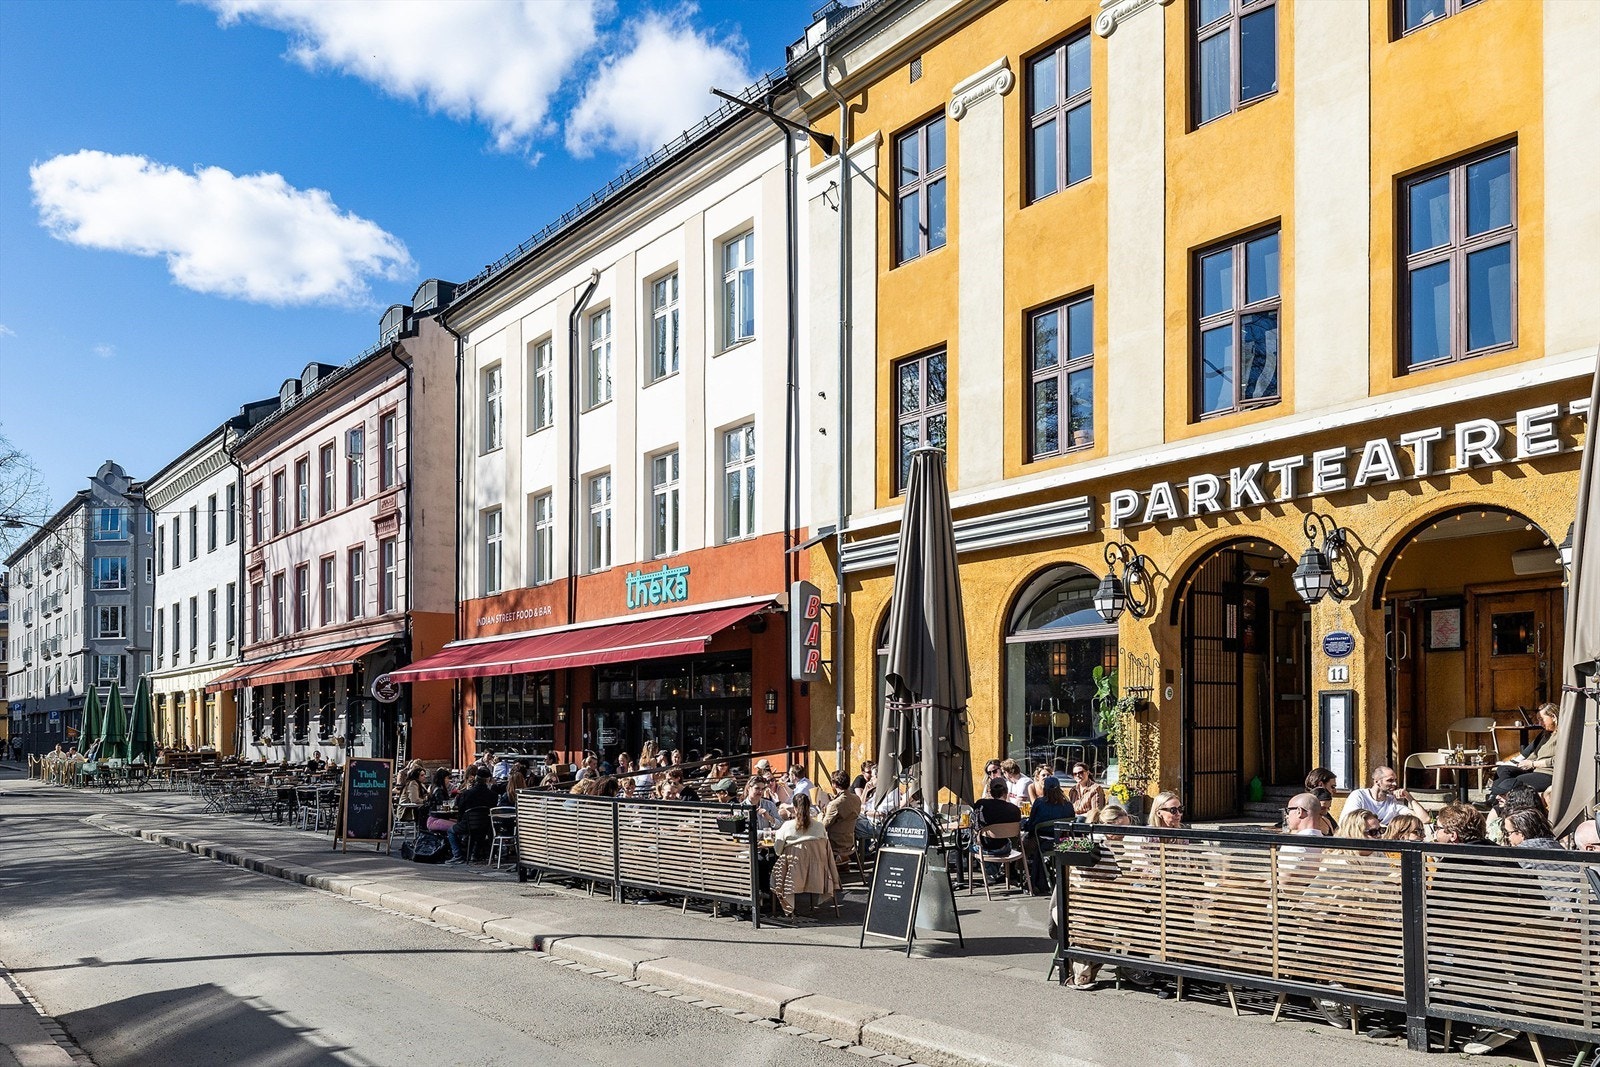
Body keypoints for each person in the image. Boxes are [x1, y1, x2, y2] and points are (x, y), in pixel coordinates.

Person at [1489, 702, 1559, 798]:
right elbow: (1533, 753)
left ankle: (1495, 801)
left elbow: (1558, 761)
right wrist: (1519, 764)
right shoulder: (1545, 734)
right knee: (1503, 770)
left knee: (1515, 781)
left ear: (1553, 717)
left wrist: (1533, 764)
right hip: (1534, 770)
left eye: (1541, 719)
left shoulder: (1563, 735)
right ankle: (1493, 797)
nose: (1539, 723)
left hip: (1549, 773)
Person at [1022, 775, 1075, 889]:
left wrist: (1024, 825)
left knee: (1023, 844)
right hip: (1063, 841)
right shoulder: (1068, 805)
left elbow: (1032, 825)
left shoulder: (1039, 803)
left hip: (1044, 842)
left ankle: (1026, 877)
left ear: (1044, 789)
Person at [1344, 765, 1432, 827]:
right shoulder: (1359, 795)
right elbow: (1350, 823)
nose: (1395, 784)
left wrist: (1409, 797)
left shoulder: (1392, 801)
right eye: (1390, 780)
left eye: (1395, 780)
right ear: (1377, 782)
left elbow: (1425, 819)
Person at [972, 777, 1023, 883]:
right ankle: (999, 872)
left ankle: (990, 872)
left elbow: (976, 827)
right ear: (1006, 791)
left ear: (990, 791)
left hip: (985, 849)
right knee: (1008, 840)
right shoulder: (1014, 809)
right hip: (1004, 849)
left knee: (969, 844)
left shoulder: (981, 804)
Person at [448, 767, 495, 864]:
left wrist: (459, 821)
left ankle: (457, 855)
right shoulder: (493, 795)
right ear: (487, 780)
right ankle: (475, 854)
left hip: (468, 824)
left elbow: (461, 810)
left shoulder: (467, 793)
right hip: (485, 825)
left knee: (450, 831)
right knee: (479, 832)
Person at [821, 771, 861, 860]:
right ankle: (843, 864)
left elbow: (823, 826)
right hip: (850, 841)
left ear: (834, 784)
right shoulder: (856, 799)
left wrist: (822, 812)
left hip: (836, 843)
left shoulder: (835, 804)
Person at [424, 768, 455, 835]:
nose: (448, 780)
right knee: (456, 827)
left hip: (435, 817)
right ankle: (454, 845)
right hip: (436, 819)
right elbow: (443, 805)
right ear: (442, 779)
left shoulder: (435, 788)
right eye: (447, 778)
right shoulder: (439, 791)